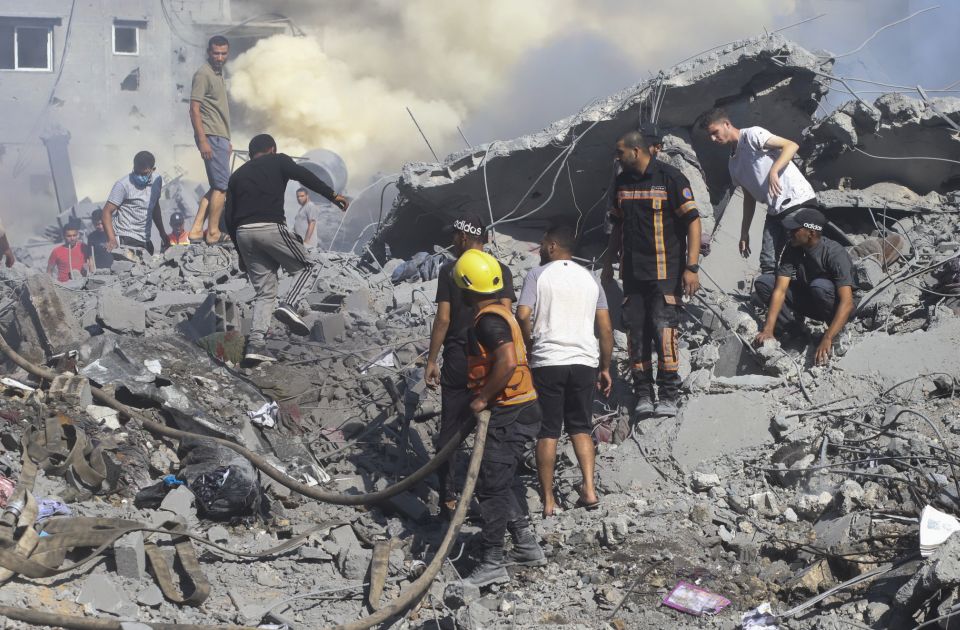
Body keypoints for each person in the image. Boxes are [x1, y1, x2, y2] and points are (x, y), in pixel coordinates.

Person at [452, 248, 545, 587]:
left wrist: (482, 398)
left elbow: (506, 361)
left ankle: (492, 560)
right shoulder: (501, 313)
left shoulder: (488, 321)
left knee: (491, 487)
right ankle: (525, 544)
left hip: (509, 411)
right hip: (521, 407)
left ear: (466, 288)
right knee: (501, 482)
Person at [602, 124, 702, 418]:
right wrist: (609, 263)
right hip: (633, 276)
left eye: (620, 152)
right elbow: (617, 226)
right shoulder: (622, 183)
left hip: (665, 273)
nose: (617, 157)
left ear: (636, 150)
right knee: (637, 333)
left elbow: (693, 223)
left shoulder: (670, 178)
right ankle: (643, 393)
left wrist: (691, 267)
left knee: (664, 332)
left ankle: (668, 394)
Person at [224, 134, 348, 363]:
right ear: (273, 148)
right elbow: (305, 176)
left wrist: (241, 251)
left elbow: (228, 217)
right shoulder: (279, 160)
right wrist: (333, 195)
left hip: (243, 234)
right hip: (270, 227)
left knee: (265, 291)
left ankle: (256, 344)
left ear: (251, 154)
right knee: (307, 266)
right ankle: (289, 305)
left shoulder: (237, 175)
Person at [516, 224, 613, 517]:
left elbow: (522, 314)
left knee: (548, 431)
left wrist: (530, 345)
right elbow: (605, 328)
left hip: (548, 361)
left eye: (544, 242)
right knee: (581, 427)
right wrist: (605, 367)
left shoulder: (537, 275)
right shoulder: (591, 278)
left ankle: (548, 501)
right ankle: (589, 489)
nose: (542, 248)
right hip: (584, 361)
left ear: (553, 246)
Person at [425, 214, 516, 520]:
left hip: (458, 358)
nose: (452, 241)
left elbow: (444, 319)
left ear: (464, 237)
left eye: (454, 235)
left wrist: (431, 359)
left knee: (450, 429)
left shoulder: (450, 271)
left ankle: (448, 500)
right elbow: (506, 314)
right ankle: (493, 497)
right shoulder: (500, 270)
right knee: (492, 427)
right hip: (491, 358)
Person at [700, 107, 817, 275]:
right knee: (768, 262)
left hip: (797, 201)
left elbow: (791, 145)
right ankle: (771, 295)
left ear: (726, 124)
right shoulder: (733, 164)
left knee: (801, 257)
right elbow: (749, 198)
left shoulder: (752, 135)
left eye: (715, 132)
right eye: (709, 135)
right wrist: (744, 232)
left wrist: (774, 170)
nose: (713, 138)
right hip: (775, 210)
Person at [753, 207, 855, 366]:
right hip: (811, 300)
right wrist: (768, 329)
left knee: (819, 286)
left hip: (835, 307)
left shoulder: (834, 253)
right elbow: (780, 290)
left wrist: (827, 337)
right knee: (764, 283)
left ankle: (838, 333)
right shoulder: (792, 248)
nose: (789, 233)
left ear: (811, 233)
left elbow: (848, 302)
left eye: (795, 230)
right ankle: (797, 333)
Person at [187, 35, 232, 246]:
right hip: (211, 137)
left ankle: (197, 230)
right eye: (216, 53)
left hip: (220, 137)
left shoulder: (218, 74)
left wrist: (226, 139)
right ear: (208, 52)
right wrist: (203, 140)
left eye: (223, 53)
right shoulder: (203, 74)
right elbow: (194, 109)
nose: (220, 57)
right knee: (222, 188)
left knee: (217, 186)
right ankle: (213, 232)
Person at [102, 151, 169, 256]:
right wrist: (111, 239)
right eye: (137, 172)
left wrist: (162, 232)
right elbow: (106, 212)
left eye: (144, 173)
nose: (139, 176)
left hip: (146, 239)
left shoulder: (157, 181)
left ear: (153, 170)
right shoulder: (123, 185)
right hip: (126, 238)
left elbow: (155, 207)